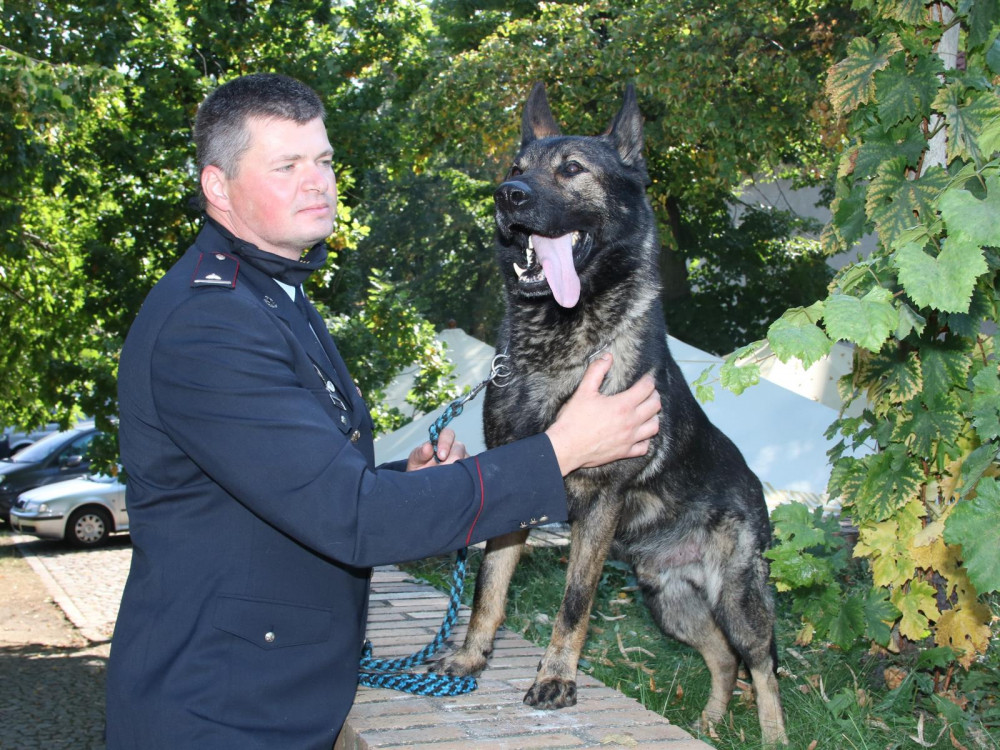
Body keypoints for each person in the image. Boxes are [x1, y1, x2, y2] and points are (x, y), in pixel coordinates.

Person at [106, 73, 660, 750]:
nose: (318, 183)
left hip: (265, 693)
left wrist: (406, 480)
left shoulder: (267, 295)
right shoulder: (210, 324)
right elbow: (354, 519)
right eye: (286, 166)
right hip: (223, 715)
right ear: (219, 188)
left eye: (324, 160)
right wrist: (564, 450)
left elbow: (292, 486)